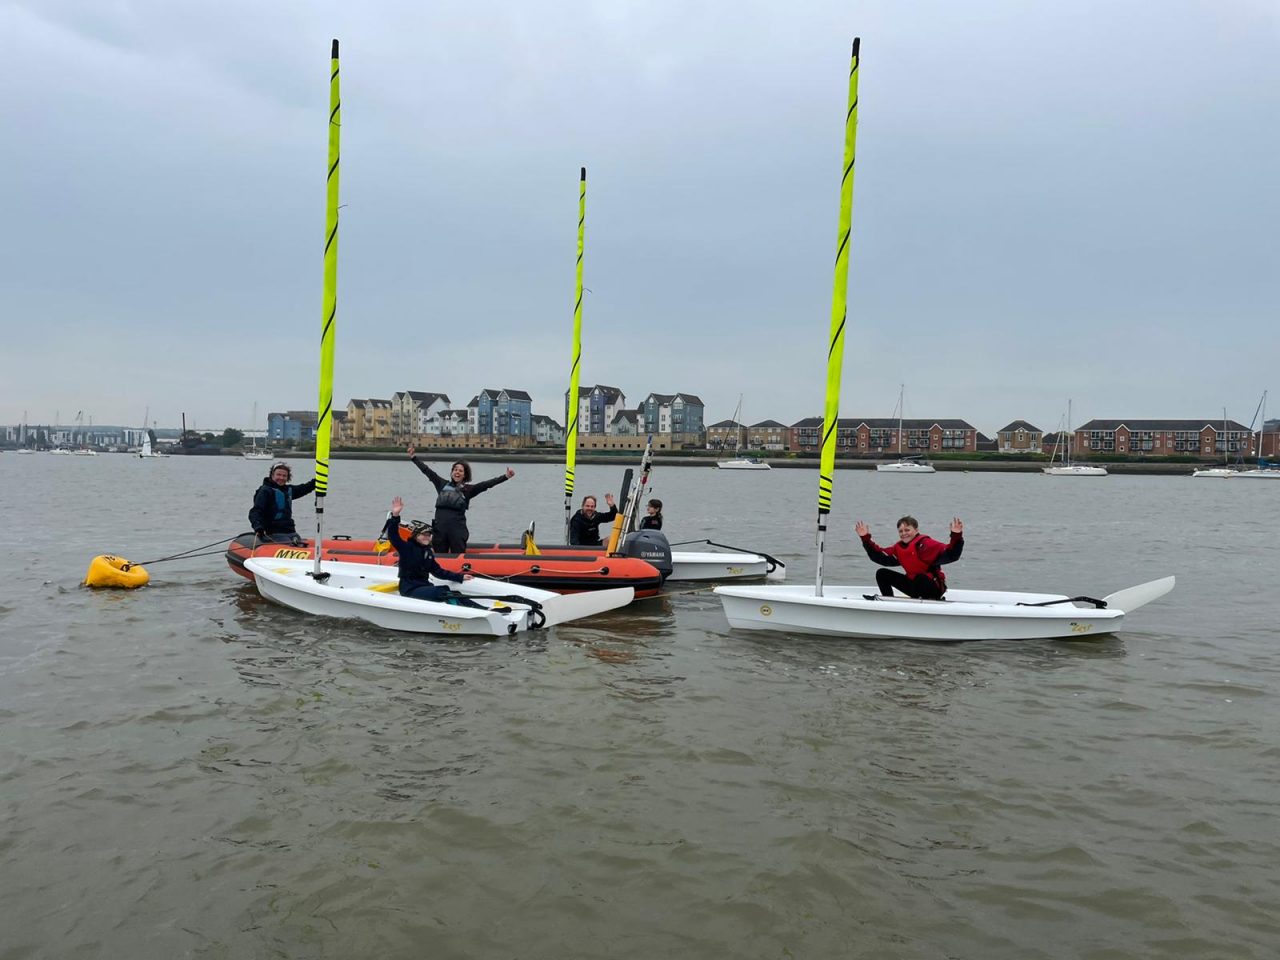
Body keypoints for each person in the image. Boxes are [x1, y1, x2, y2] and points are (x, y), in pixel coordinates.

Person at [406, 445, 514, 553]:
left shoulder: (469, 490)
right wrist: (413, 457)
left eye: (461, 471)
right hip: (440, 530)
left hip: (457, 531)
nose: (457, 472)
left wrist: (506, 476)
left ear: (464, 475)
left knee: (458, 553)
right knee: (439, 554)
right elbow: (427, 471)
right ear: (452, 472)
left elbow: (487, 484)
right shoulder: (441, 484)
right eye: (455, 470)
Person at [384, 496, 483, 606]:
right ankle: (463, 610)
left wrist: (459, 577)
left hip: (424, 586)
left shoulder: (428, 552)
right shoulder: (406, 548)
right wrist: (395, 516)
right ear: (416, 536)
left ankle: (482, 608)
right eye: (423, 535)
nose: (427, 537)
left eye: (428, 535)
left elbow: (438, 571)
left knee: (454, 593)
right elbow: (393, 536)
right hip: (409, 590)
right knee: (442, 591)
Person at [855, 515, 964, 600]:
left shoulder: (925, 544)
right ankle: (888, 602)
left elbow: (952, 554)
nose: (904, 533)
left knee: (920, 578)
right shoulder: (898, 548)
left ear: (916, 530)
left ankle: (929, 602)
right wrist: (865, 538)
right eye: (901, 531)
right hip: (914, 587)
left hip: (933, 589)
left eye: (907, 530)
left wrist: (956, 535)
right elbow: (879, 556)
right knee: (881, 573)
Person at [249, 461, 317, 543]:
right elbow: (255, 512)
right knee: (289, 544)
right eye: (278, 475)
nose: (281, 478)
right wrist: (258, 527)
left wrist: (318, 480)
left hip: (290, 532)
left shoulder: (288, 490)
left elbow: (305, 488)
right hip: (273, 533)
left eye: (284, 476)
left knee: (300, 543)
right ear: (272, 475)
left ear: (288, 478)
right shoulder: (265, 491)